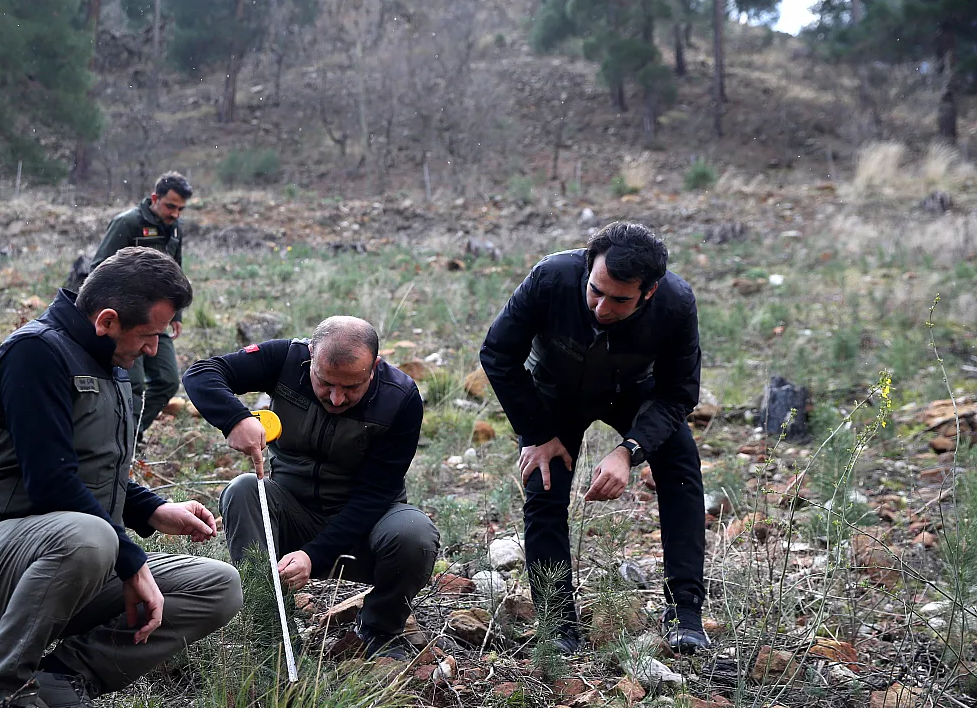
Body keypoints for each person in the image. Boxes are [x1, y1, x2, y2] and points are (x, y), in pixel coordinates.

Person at [0, 247, 242, 708]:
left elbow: (90, 471)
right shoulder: (35, 353)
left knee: (218, 585)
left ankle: (59, 679)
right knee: (90, 537)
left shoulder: (109, 359)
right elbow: (51, 481)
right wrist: (132, 562)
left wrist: (155, 509)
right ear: (107, 320)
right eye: (148, 336)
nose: (153, 351)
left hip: (74, 555)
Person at [480, 221, 710, 655]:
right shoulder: (550, 277)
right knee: (544, 482)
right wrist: (537, 434)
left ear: (649, 292)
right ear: (588, 268)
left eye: (619, 300)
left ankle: (685, 612)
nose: (602, 308)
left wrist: (629, 450)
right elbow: (497, 353)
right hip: (555, 391)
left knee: (680, 465)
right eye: (595, 291)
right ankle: (557, 623)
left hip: (633, 392)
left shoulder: (676, 302)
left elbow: (679, 392)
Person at [183, 316, 439, 660]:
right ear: (311, 356)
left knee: (414, 534)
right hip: (292, 515)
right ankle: (272, 634)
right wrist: (235, 419)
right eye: (325, 382)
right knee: (243, 489)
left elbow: (375, 495)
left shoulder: (400, 398)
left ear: (374, 367)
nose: (336, 398)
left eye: (351, 387)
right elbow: (202, 373)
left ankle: (379, 630)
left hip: (365, 529)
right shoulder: (286, 360)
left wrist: (313, 555)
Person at [89, 171, 193, 439]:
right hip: (128, 319)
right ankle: (117, 443)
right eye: (170, 206)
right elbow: (99, 268)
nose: (175, 214)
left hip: (158, 319)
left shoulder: (175, 228)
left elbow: (176, 272)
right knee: (131, 384)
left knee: (168, 380)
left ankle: (132, 436)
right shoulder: (128, 223)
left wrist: (176, 314)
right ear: (155, 198)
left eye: (180, 209)